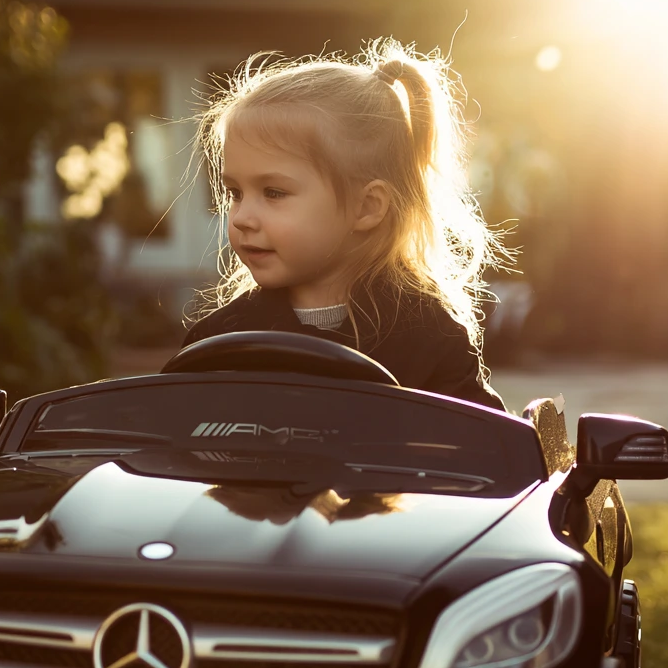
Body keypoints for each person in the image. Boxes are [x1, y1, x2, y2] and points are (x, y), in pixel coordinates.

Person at [182, 39, 506, 411]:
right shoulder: (218, 342)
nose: (241, 218)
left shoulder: (429, 338)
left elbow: (482, 441)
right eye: (235, 193)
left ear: (366, 207)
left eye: (273, 193)